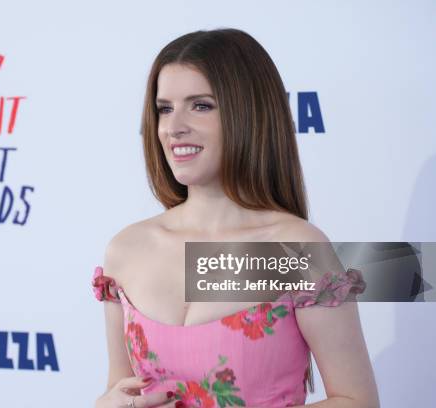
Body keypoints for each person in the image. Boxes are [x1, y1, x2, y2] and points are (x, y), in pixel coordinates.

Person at [92, 28, 379, 408]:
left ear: (249, 113)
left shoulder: (294, 249)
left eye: (201, 105)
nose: (173, 126)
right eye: (164, 108)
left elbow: (356, 400)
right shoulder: (126, 249)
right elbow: (119, 390)